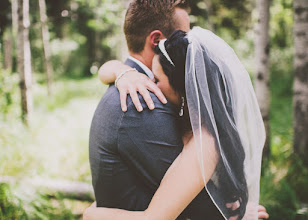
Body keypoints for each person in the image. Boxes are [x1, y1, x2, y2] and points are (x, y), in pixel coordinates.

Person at [87, 0, 269, 219]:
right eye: (181, 34)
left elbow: (203, 204)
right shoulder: (140, 102)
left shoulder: (198, 134)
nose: (187, 45)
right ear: (156, 41)